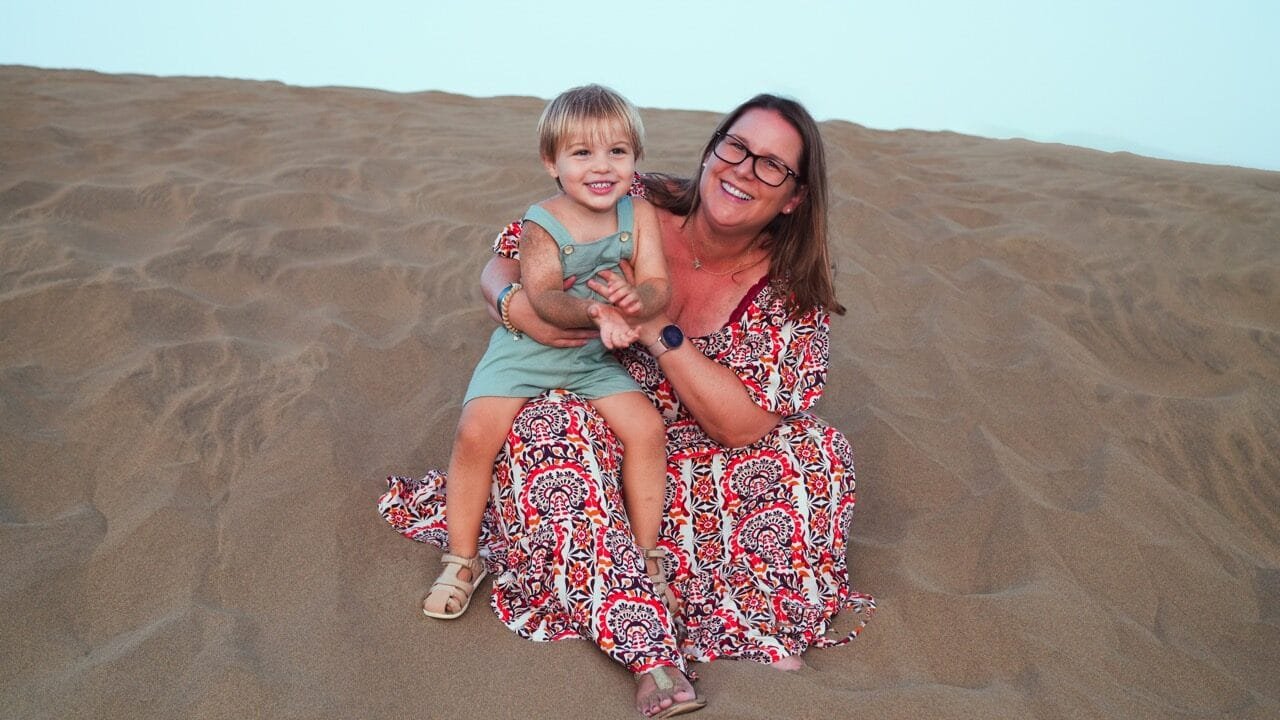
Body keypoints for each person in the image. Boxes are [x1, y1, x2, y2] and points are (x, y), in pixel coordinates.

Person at [380, 93, 874, 718]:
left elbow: (741, 424)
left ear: (795, 196)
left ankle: (698, 593)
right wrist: (514, 306)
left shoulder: (793, 288)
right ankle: (650, 648)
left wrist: (658, 328)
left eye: (772, 165)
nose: (744, 170)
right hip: (592, 412)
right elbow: (506, 258)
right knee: (545, 433)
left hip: (702, 451)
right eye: (736, 147)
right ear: (711, 148)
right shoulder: (626, 195)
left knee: (818, 456)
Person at [419, 84, 679, 643]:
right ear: (552, 163)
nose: (601, 166)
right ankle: (462, 558)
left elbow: (658, 282)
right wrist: (597, 310)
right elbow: (542, 297)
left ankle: (646, 552)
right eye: (582, 153)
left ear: (635, 157)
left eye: (617, 151)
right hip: (527, 352)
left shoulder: (641, 213)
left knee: (647, 429)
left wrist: (640, 303)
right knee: (475, 434)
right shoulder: (542, 221)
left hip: (591, 359)